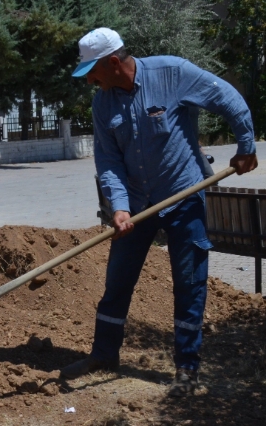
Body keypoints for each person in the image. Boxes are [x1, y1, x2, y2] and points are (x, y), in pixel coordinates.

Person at [61, 28, 258, 396]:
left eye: (92, 71)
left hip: (183, 197)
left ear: (113, 63)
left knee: (189, 283)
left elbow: (226, 97)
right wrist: (119, 208)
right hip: (136, 205)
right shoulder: (103, 104)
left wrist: (246, 143)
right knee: (117, 282)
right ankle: (104, 355)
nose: (90, 80)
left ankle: (186, 369)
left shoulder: (173, 73)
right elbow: (108, 161)